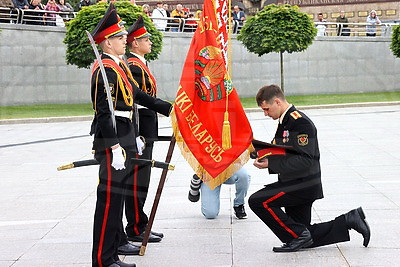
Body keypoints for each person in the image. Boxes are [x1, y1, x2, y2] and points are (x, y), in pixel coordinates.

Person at [89, 4, 171, 266]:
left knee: (118, 197)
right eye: (121, 37)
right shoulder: (106, 70)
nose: (126, 40)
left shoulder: (118, 67)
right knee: (109, 202)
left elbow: (136, 95)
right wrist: (113, 146)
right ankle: (103, 259)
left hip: (125, 134)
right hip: (112, 139)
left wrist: (169, 109)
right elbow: (104, 112)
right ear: (107, 42)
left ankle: (114, 248)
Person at [248, 84, 371, 252]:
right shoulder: (286, 121)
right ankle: (350, 219)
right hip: (295, 183)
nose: (265, 114)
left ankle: (298, 236)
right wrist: (262, 153)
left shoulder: (300, 123)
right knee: (305, 236)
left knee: (257, 201)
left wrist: (272, 163)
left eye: (267, 109)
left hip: (301, 186)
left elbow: (305, 160)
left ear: (277, 101)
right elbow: (285, 151)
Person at [122, 15, 166, 244]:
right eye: (145, 39)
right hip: (140, 125)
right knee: (138, 178)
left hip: (147, 124)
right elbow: (140, 99)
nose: (150, 42)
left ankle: (140, 223)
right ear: (134, 43)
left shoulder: (140, 64)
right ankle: (136, 225)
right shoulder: (133, 66)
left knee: (143, 177)